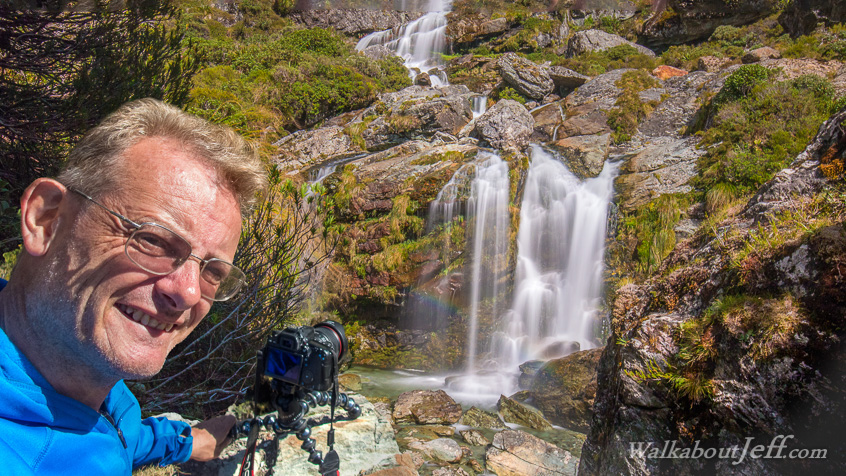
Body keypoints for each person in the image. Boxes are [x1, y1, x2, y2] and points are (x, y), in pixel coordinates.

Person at [0, 98, 268, 474]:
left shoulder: (83, 379)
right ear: (46, 219)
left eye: (213, 272)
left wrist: (189, 441)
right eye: (154, 241)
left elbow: (112, 435)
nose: (188, 293)